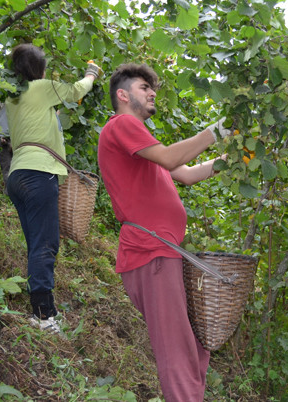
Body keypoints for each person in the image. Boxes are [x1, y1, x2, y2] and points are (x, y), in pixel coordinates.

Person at [97, 63, 232, 401]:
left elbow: (186, 174)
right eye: (145, 87)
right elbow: (172, 159)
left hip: (163, 252)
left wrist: (234, 159)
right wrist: (218, 130)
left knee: (194, 347)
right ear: (123, 95)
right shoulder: (122, 124)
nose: (152, 91)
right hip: (150, 251)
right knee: (177, 350)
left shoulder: (140, 145)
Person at [3, 43, 101, 334]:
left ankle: (42, 309)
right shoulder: (41, 87)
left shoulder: (13, 97)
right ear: (39, 69)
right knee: (46, 244)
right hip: (38, 174)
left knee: (37, 243)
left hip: (17, 176)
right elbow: (75, 90)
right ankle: (43, 316)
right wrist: (91, 74)